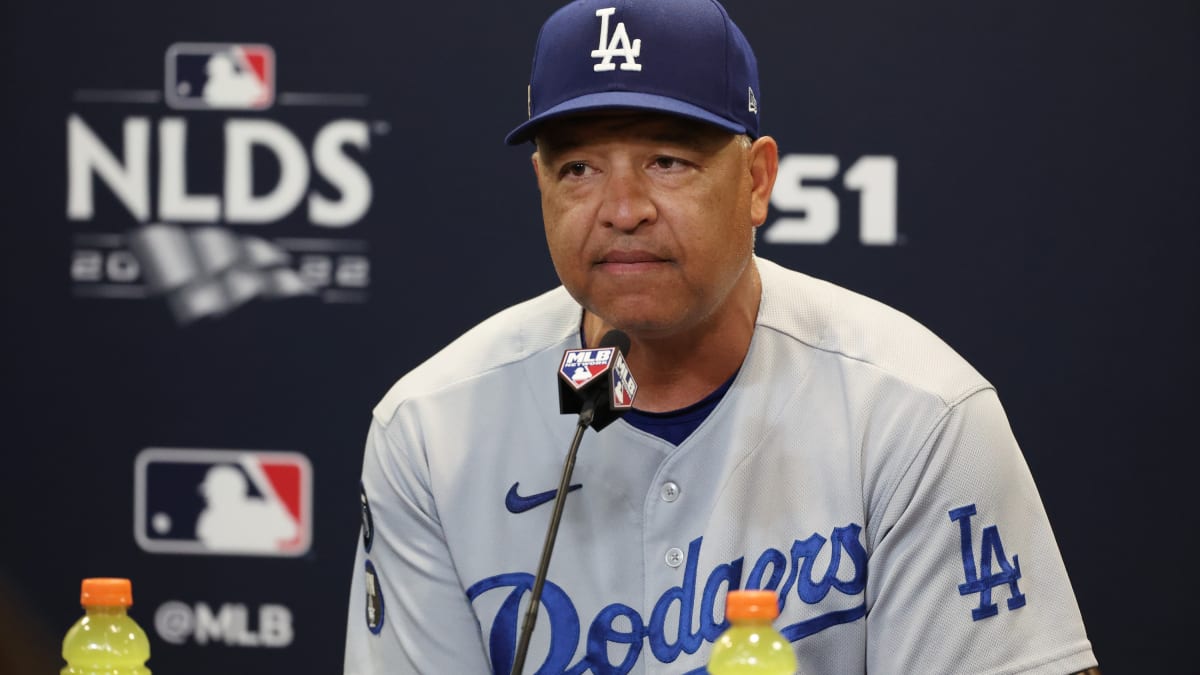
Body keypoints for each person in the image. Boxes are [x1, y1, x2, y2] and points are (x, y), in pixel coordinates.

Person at [344, 0, 1100, 673]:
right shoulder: (432, 429)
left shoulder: (917, 410)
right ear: (541, 185)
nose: (621, 207)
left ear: (758, 181)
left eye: (666, 161)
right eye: (578, 168)